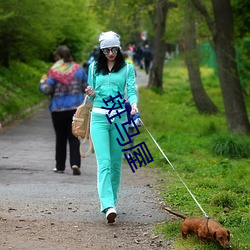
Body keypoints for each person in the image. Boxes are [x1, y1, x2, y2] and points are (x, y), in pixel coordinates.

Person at [85, 31, 138, 223]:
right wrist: (90, 92)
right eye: (106, 50)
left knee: (116, 164)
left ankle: (112, 201)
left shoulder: (127, 68)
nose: (110, 53)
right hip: (98, 118)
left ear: (119, 48)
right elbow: (91, 96)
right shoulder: (93, 68)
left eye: (114, 49)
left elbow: (131, 90)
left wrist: (133, 104)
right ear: (101, 50)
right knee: (104, 163)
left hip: (120, 118)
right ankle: (107, 205)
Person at [39, 45, 88, 175]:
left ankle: (60, 166)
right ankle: (75, 163)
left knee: (60, 138)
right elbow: (86, 87)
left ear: (58, 57)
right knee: (74, 137)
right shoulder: (79, 70)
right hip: (75, 109)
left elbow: (47, 90)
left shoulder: (54, 71)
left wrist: (42, 83)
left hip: (58, 109)